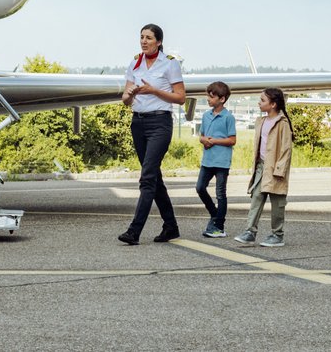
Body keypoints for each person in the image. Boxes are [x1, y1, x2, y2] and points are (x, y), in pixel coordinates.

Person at [117, 23, 185, 245]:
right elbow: (125, 100)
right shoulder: (135, 63)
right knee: (154, 177)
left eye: (148, 38)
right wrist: (130, 94)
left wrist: (153, 90)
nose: (144, 41)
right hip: (138, 123)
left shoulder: (169, 65)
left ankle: (134, 231)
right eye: (141, 37)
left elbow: (180, 97)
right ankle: (171, 226)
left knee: (147, 178)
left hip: (159, 123)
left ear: (158, 42)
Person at [233, 87, 292, 248]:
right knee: (256, 199)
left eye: (262, 100)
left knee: (278, 203)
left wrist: (279, 170)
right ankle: (250, 232)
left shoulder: (283, 123)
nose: (259, 103)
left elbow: (286, 149)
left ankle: (277, 234)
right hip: (261, 167)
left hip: (275, 168)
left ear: (273, 104)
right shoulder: (261, 121)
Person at [194, 81, 236, 238]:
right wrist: (204, 140)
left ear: (222, 99)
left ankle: (219, 226)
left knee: (220, 194)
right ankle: (215, 213)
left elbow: (232, 140)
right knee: (200, 188)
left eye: (211, 97)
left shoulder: (228, 117)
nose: (208, 99)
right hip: (207, 161)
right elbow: (202, 136)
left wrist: (214, 141)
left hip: (222, 162)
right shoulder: (206, 116)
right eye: (208, 96)